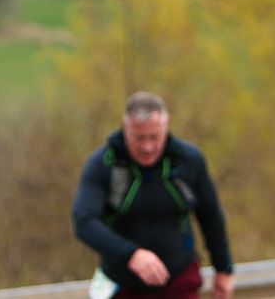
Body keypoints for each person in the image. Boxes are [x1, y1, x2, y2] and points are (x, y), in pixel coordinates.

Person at [72, 92, 236, 299]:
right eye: (139, 138)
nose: (147, 147)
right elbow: (84, 221)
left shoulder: (187, 160)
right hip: (123, 285)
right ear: (125, 129)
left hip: (179, 281)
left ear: (167, 127)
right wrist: (131, 254)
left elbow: (210, 215)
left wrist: (223, 268)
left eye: (155, 137)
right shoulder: (104, 164)